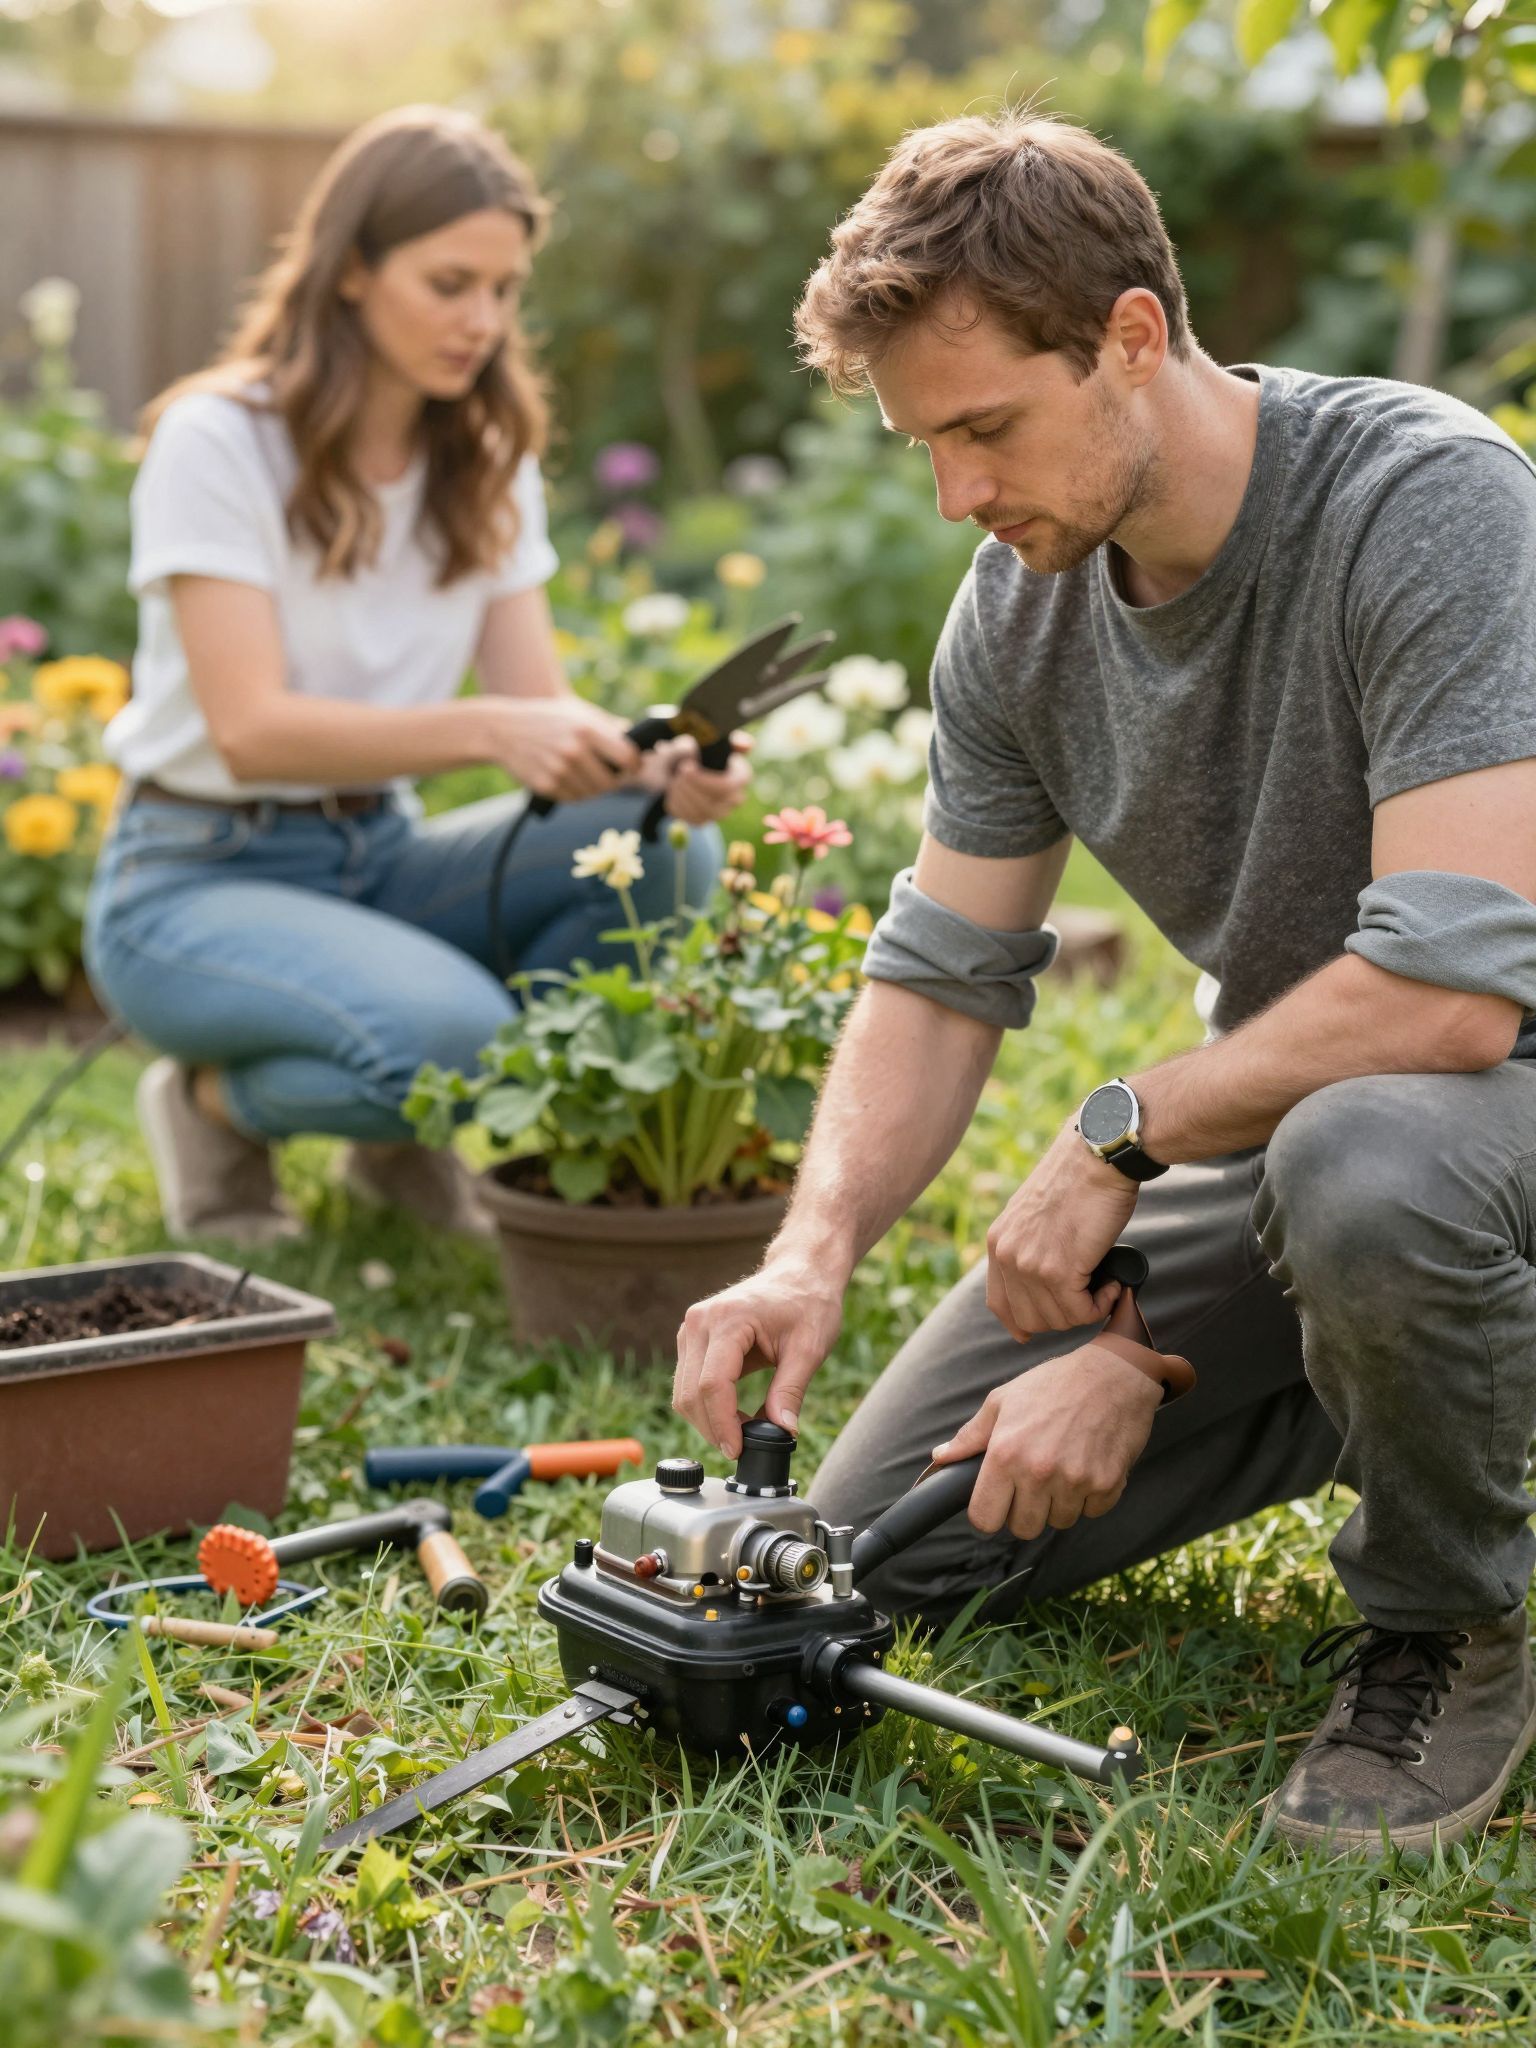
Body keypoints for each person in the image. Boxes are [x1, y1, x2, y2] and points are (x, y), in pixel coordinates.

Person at [672, 110, 1536, 1857]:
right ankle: (1325, 1356)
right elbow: (939, 968)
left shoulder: (1427, 503)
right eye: (928, 443)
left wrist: (1117, 1135)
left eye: (984, 427)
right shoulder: (1016, 615)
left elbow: (1450, 996)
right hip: (1300, 1134)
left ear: (1132, 336)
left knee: (1365, 1168)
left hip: (1460, 1113)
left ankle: (1444, 1626)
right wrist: (810, 1247)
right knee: (890, 1547)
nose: (958, 495)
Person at [85, 106, 745, 1246]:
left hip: (378, 855)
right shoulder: (218, 441)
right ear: (349, 271)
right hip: (193, 874)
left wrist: (646, 763)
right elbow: (248, 729)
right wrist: (494, 730)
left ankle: (392, 1135)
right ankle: (210, 1104)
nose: (481, 321)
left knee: (663, 848)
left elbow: (537, 702)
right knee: (463, 1038)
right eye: (449, 284)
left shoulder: (483, 457)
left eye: (503, 289)